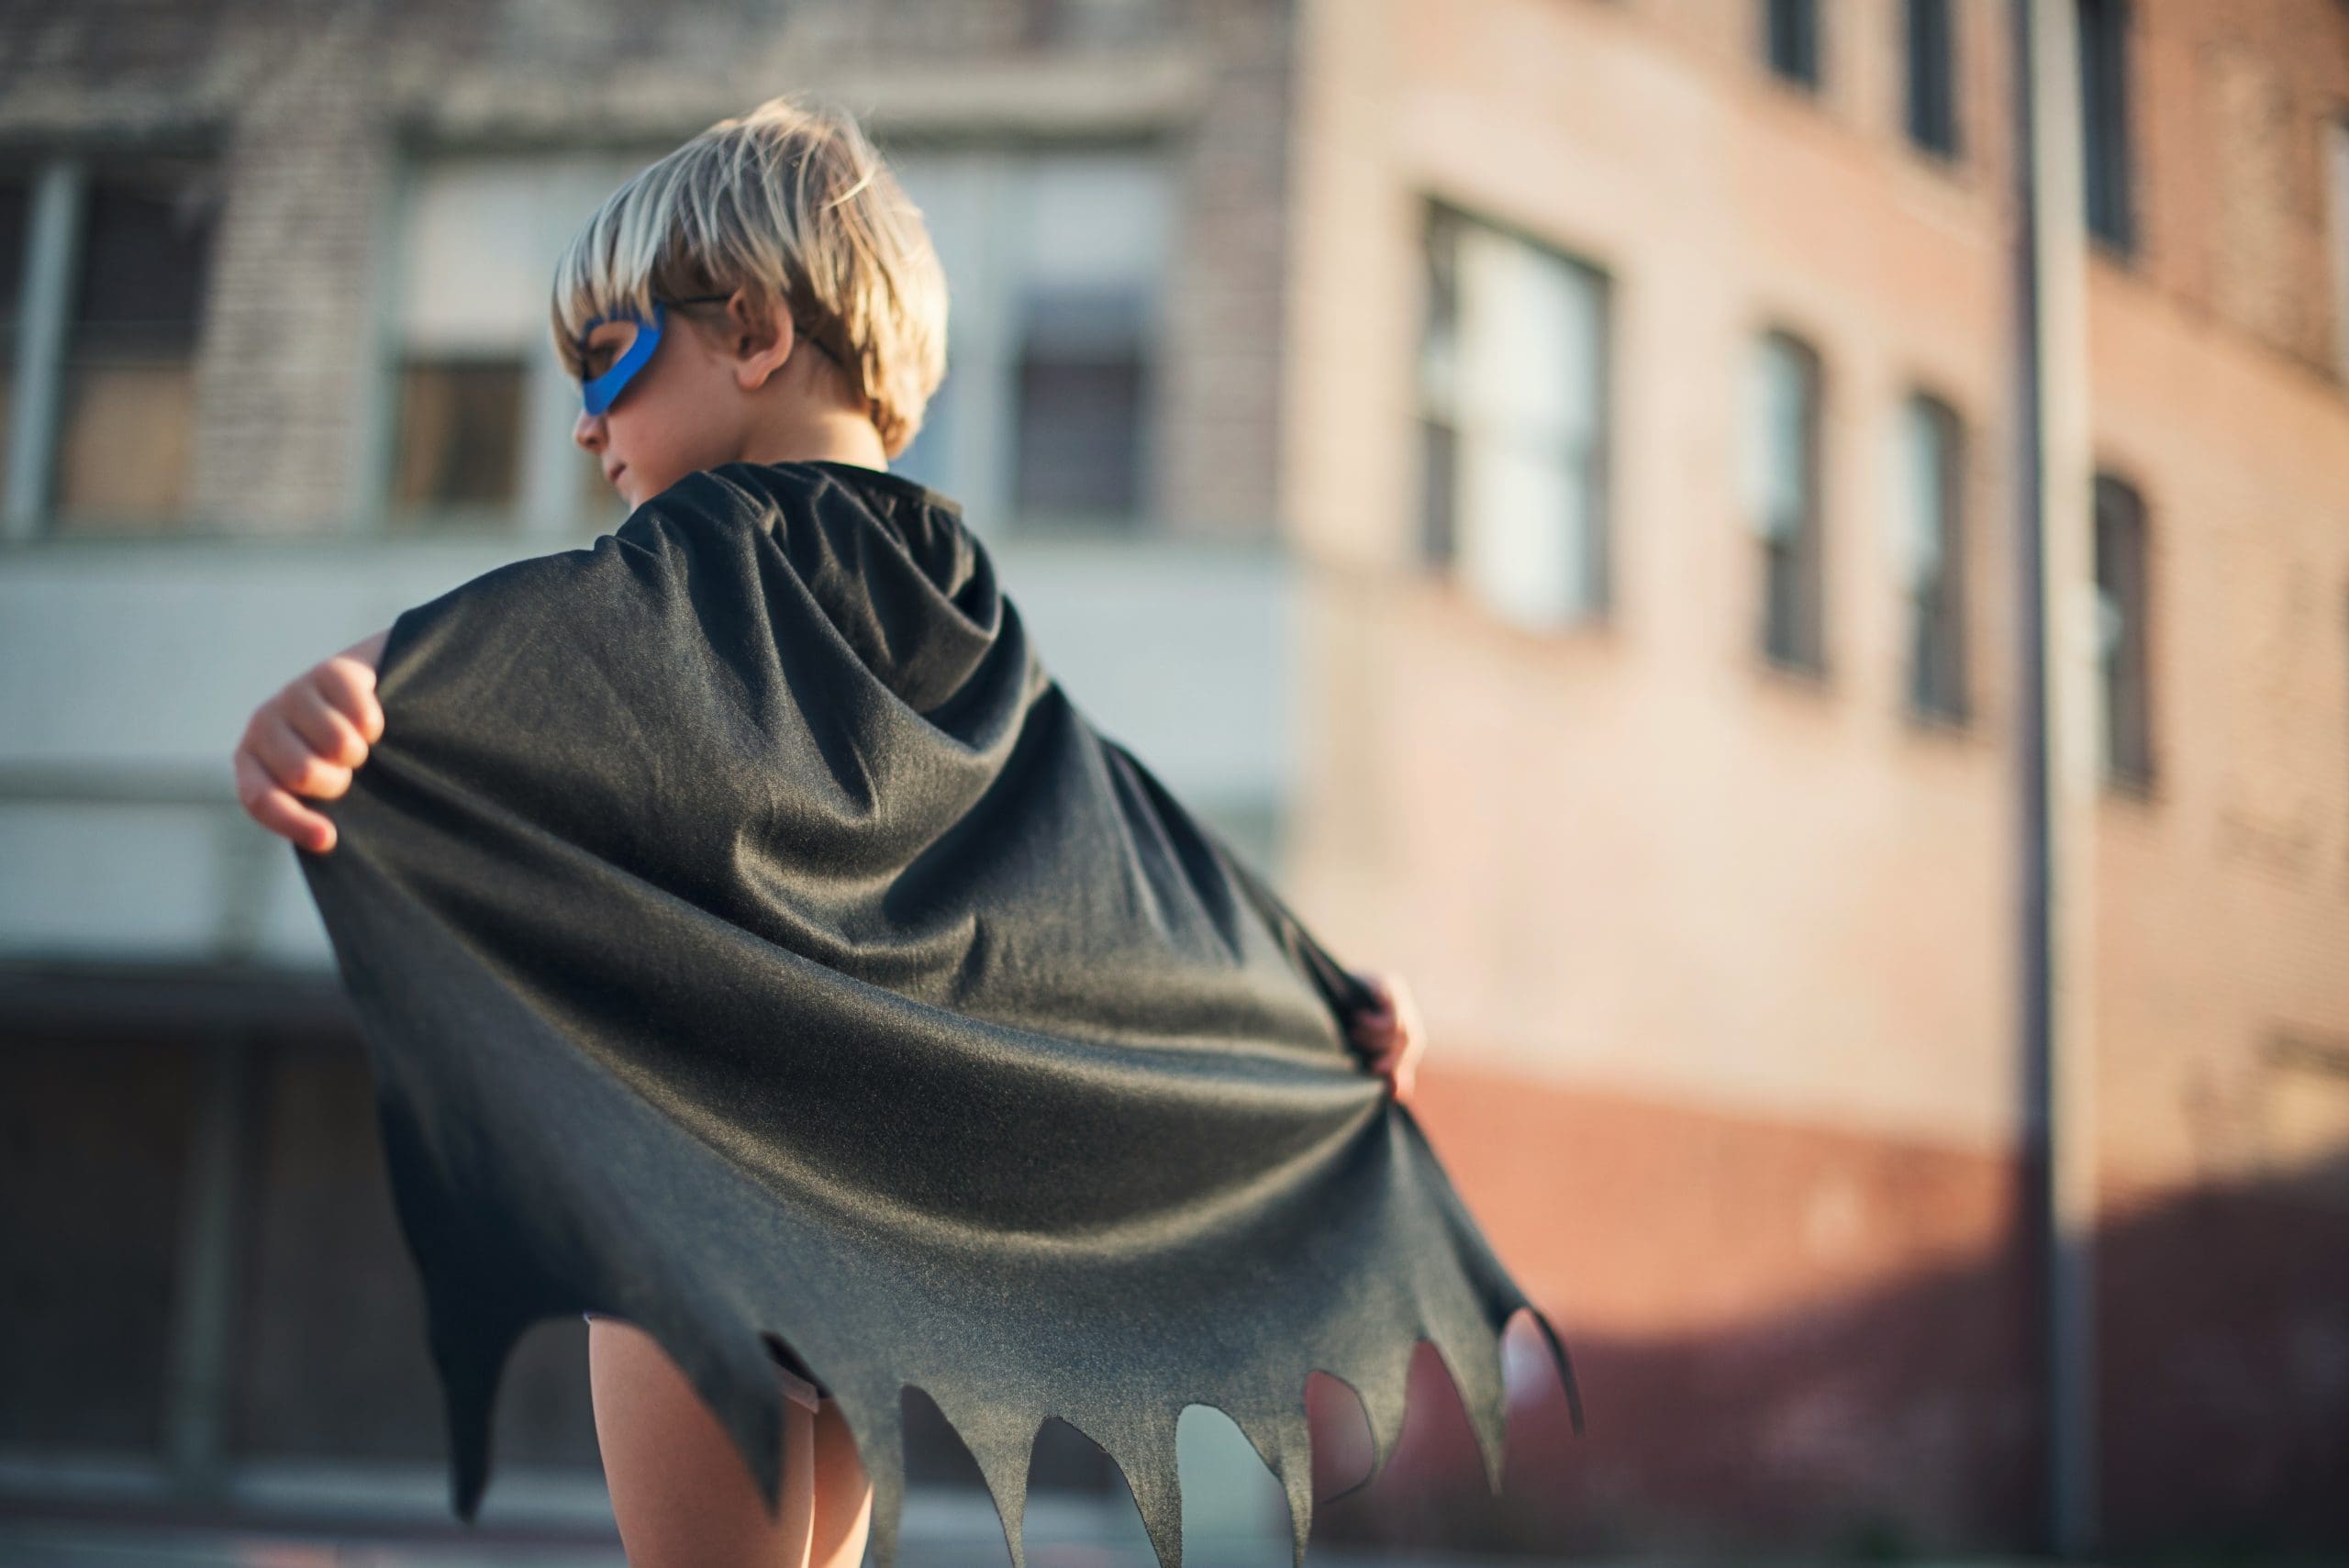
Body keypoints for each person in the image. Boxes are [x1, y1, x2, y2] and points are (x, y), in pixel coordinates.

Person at [231, 92, 1429, 1568]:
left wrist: (364, 683)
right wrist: (1311, 986)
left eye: (608, 358)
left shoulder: (703, 542)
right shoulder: (954, 578)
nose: (588, 421)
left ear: (749, 332)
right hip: (866, 1233)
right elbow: (1101, 826)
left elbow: (532, 631)